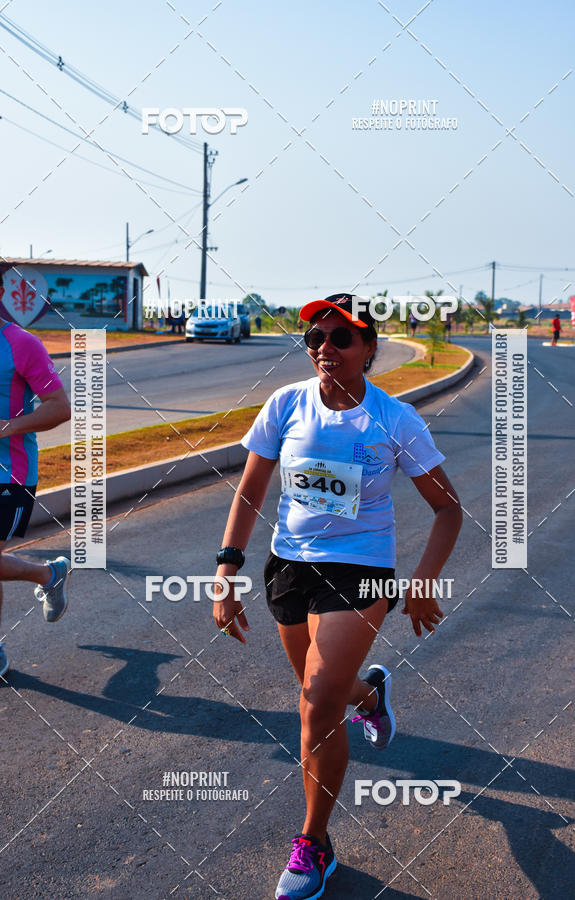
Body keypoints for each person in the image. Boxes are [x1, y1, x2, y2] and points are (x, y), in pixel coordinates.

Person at [212, 292, 462, 899]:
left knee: (317, 704)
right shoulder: (286, 404)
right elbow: (250, 492)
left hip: (363, 571)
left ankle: (314, 845)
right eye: (315, 339)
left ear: (370, 348)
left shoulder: (396, 420)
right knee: (321, 695)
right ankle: (369, 694)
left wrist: (422, 580)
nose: (326, 348)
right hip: (290, 567)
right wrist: (226, 570)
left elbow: (448, 511)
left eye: (341, 337)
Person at [0, 285, 72, 678]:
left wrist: (5, 428)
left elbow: (60, 408)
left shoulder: (20, 343)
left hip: (9, 471)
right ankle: (49, 574)